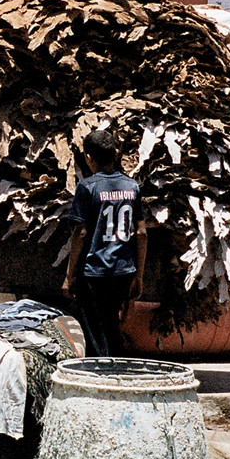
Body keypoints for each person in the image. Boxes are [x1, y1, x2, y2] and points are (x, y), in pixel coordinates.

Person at [62, 125, 147, 357]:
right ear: (115, 155)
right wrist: (138, 275)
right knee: (112, 326)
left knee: (94, 332)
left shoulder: (87, 187)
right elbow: (141, 233)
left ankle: (102, 377)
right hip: (123, 271)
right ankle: (117, 372)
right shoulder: (132, 187)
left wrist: (70, 276)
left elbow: (80, 233)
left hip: (95, 272)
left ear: (89, 158)